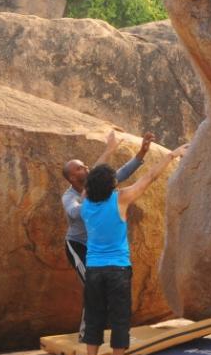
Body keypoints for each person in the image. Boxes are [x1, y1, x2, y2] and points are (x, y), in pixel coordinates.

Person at [81, 142, 188, 355]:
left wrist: (107, 150)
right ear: (111, 184)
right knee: (119, 319)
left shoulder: (85, 202)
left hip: (94, 270)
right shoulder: (120, 199)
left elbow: (92, 179)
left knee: (93, 318)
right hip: (118, 269)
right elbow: (149, 177)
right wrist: (171, 154)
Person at [62, 130, 152, 336]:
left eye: (85, 165)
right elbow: (75, 212)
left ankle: (100, 330)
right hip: (78, 246)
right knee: (92, 287)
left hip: (98, 248)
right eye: (79, 167)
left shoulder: (98, 185)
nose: (85, 167)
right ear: (71, 177)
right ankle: (87, 332)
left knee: (102, 288)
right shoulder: (68, 196)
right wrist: (91, 191)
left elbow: (121, 173)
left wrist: (142, 153)